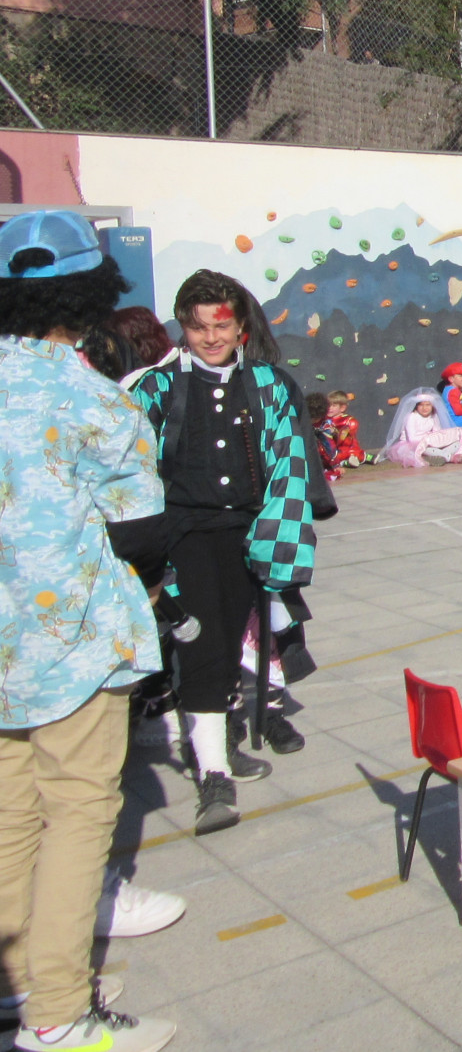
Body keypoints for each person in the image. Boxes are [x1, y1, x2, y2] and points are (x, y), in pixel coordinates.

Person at [0, 210, 179, 1052]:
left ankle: (15, 985)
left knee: (9, 817)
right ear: (91, 292)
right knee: (77, 811)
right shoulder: (92, 398)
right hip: (70, 640)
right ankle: (59, 1011)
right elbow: (140, 530)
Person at [130, 270, 320, 831]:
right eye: (197, 327)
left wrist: (276, 541)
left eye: (221, 325)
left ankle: (221, 739)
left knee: (238, 637)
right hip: (183, 535)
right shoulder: (156, 389)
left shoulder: (270, 385)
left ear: (240, 328)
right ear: (182, 327)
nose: (210, 337)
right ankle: (213, 773)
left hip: (248, 531)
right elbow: (133, 471)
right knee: (203, 644)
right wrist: (146, 550)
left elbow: (289, 467)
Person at [382, 391, 462, 467]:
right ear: (416, 406)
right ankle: (451, 457)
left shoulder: (433, 416)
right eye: (421, 405)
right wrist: (429, 440)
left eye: (428, 405)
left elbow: (437, 432)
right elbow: (412, 438)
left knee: (456, 443)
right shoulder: (411, 417)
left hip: (430, 442)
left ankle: (443, 455)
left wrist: (439, 441)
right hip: (414, 445)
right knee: (427, 450)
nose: (424, 408)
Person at [322, 390, 366, 468]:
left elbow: (344, 440)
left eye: (333, 406)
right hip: (330, 447)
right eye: (328, 405)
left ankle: (350, 460)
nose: (329, 408)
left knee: (349, 453)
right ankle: (347, 461)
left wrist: (334, 433)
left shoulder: (349, 421)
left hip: (346, 448)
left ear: (342, 408)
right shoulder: (324, 419)